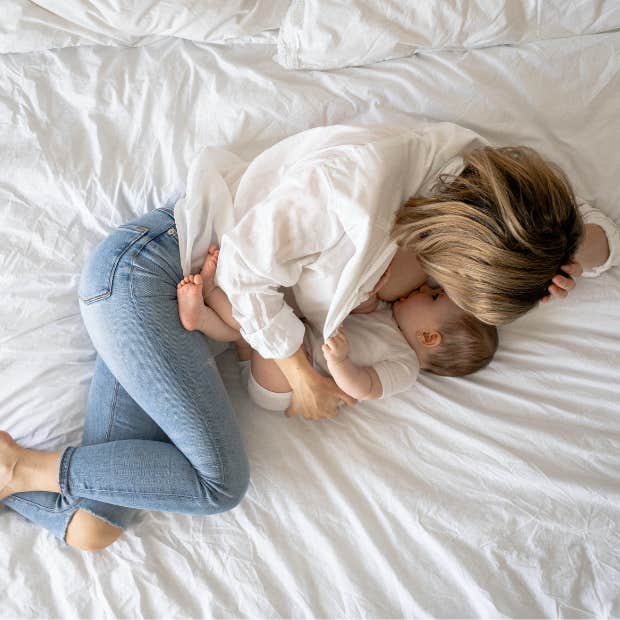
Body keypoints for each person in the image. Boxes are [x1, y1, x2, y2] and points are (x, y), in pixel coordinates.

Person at [1, 121, 618, 551]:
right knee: (217, 485)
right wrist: (304, 379)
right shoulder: (357, 186)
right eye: (449, 285)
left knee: (92, 529)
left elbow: (600, 232)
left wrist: (565, 256)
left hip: (186, 310)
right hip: (155, 269)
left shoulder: (501, 211)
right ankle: (16, 465)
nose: (443, 296)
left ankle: (15, 473)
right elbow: (242, 273)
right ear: (457, 248)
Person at [175, 246, 498, 412]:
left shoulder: (405, 368)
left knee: (268, 333)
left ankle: (214, 293)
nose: (424, 289)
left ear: (429, 336)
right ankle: (201, 317)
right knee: (245, 335)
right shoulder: (389, 315)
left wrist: (341, 362)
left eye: (433, 296)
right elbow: (357, 314)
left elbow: (364, 387)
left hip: (285, 390)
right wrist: (366, 299)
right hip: (285, 362)